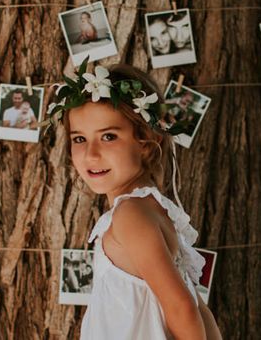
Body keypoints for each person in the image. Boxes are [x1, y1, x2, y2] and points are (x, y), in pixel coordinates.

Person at [46, 63, 221, 339]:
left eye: (108, 136)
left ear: (146, 140)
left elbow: (183, 308)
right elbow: (200, 311)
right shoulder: (147, 208)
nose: (91, 154)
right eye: (79, 138)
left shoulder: (131, 215)